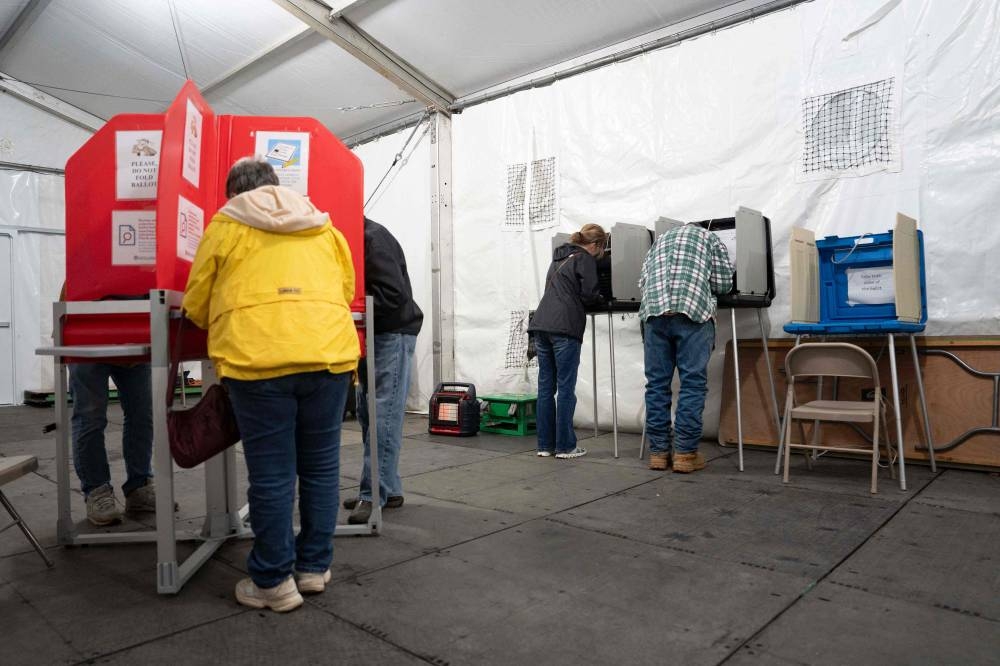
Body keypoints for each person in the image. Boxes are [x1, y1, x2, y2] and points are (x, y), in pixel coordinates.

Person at [182, 157, 359, 612]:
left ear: (233, 193)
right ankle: (314, 568)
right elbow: (345, 288)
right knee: (320, 469)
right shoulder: (323, 226)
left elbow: (197, 300)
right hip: (329, 357)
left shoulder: (225, 226)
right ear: (277, 185)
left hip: (257, 360)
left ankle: (273, 581)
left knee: (273, 475)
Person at [342, 218, 423, 525]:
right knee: (368, 414)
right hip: (371, 333)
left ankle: (372, 493)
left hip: (391, 333)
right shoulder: (358, 237)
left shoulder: (373, 238)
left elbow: (392, 295)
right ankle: (389, 489)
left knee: (382, 416)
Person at [639, 222, 733, 473]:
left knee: (657, 384)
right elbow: (724, 284)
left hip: (655, 314)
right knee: (692, 383)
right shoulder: (709, 238)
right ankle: (684, 454)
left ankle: (658, 453)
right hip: (692, 312)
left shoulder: (660, 240)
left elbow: (643, 280)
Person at [528, 223, 607, 459]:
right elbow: (590, 295)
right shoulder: (585, 259)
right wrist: (602, 299)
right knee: (565, 389)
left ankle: (545, 445)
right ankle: (565, 446)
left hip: (541, 325)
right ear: (595, 245)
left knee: (545, 389)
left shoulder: (557, 258)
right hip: (564, 327)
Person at [69, 361, 155, 526]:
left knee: (142, 413)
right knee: (90, 417)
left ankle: (139, 487)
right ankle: (97, 491)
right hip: (86, 341)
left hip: (131, 340)